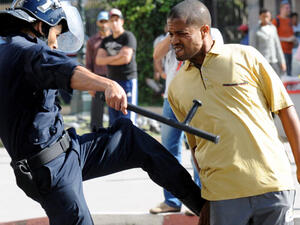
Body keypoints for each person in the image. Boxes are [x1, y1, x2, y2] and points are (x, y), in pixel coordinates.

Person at [0, 1, 206, 224]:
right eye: (57, 35)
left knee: (131, 140)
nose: (56, 44)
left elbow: (45, 80)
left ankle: (205, 209)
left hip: (65, 152)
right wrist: (107, 84)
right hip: (52, 170)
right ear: (41, 26)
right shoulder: (30, 52)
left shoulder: (8, 51)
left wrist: (88, 85)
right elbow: (66, 69)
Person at [167, 0, 300, 224]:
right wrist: (207, 199)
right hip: (222, 196)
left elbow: (285, 110)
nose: (174, 41)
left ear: (204, 30)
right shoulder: (176, 87)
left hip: (273, 186)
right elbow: (197, 147)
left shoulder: (247, 56)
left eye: (181, 33)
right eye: (170, 34)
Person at [150, 26, 224, 215]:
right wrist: (172, 34)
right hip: (171, 97)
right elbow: (157, 55)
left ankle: (200, 199)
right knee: (168, 149)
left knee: (199, 149)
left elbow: (217, 61)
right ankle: (172, 200)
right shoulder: (166, 37)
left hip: (197, 95)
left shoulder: (211, 32)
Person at [95, 8, 138, 126]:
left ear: (122, 21)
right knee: (113, 121)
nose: (114, 23)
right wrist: (117, 56)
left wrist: (108, 60)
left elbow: (126, 59)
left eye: (117, 20)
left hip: (128, 81)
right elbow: (99, 60)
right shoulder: (106, 40)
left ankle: (130, 144)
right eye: (111, 20)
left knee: (128, 119)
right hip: (112, 82)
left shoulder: (128, 37)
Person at [86, 11, 111, 132]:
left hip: (114, 77)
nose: (104, 24)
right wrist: (90, 84)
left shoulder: (116, 38)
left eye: (106, 21)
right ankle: (95, 138)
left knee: (115, 110)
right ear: (97, 22)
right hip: (97, 78)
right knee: (96, 112)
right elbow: (89, 63)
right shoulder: (91, 41)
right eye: (102, 21)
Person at [250, 8, 286, 76]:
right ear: (260, 17)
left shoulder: (273, 28)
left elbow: (277, 46)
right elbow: (252, 48)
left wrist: (282, 61)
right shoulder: (255, 30)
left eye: (267, 16)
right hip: (262, 61)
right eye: (264, 16)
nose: (266, 18)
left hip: (274, 61)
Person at [272, 0, 296, 76]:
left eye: (289, 8)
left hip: (290, 52)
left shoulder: (289, 20)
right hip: (281, 53)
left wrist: (294, 40)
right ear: (281, 9)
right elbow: (273, 38)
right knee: (283, 75)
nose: (289, 10)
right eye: (287, 8)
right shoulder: (276, 21)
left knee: (289, 74)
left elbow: (291, 35)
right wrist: (287, 39)